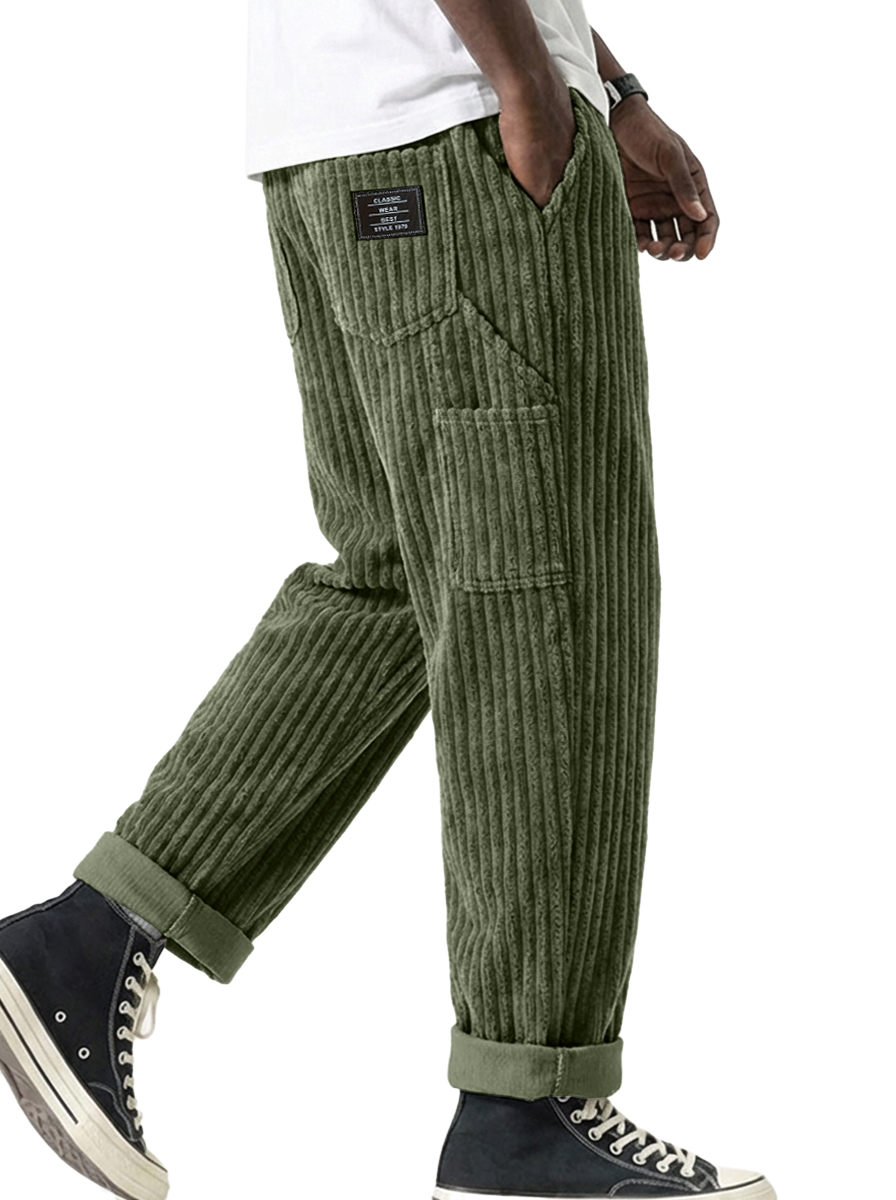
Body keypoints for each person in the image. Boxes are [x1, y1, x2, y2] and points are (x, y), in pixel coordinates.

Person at [0, 1, 775, 1198]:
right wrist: (529, 88)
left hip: (346, 142)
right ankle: (528, 1104)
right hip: (459, 133)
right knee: (551, 595)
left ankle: (87, 940)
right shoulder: (485, 101)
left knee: (406, 577)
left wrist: (607, 86)